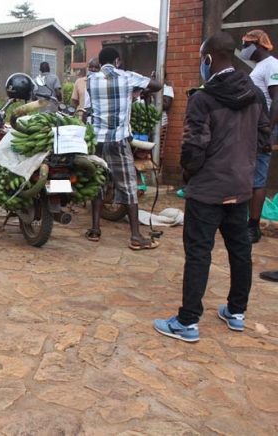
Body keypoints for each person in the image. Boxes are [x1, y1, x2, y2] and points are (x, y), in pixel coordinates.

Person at [154, 32, 271, 342]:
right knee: (240, 251)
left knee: (198, 254)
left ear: (208, 59)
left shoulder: (202, 98)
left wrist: (188, 176)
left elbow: (193, 149)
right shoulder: (255, 94)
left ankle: (187, 322)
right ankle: (236, 312)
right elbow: (263, 139)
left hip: (207, 191)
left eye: (201, 59)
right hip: (240, 188)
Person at [84, 47, 162, 249]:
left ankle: (95, 229)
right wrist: (141, 89)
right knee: (128, 186)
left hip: (98, 140)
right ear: (117, 61)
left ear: (100, 63)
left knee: (98, 182)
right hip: (119, 140)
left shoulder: (91, 79)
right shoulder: (128, 77)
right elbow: (157, 85)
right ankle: (136, 237)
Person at [238, 30, 278, 244]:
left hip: (264, 128)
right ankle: (247, 222)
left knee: (258, 177)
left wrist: (267, 133)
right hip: (256, 127)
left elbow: (277, 100)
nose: (244, 48)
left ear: (260, 45)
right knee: (250, 174)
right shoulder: (260, 67)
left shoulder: (272, 65)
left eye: (247, 44)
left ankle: (253, 227)